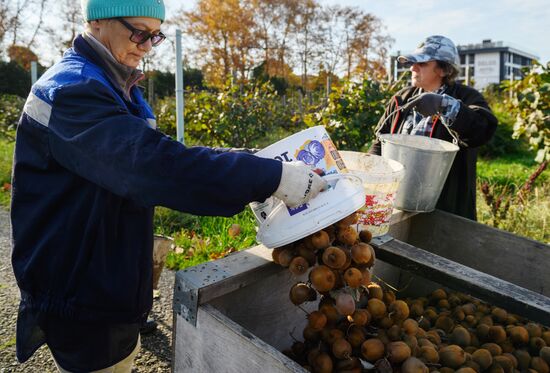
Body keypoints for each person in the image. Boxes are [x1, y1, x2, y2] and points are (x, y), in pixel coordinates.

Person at [10, 1, 327, 372]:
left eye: (155, 35)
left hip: (101, 271)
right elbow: (153, 167)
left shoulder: (112, 81)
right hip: (81, 288)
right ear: (97, 22)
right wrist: (268, 177)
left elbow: (165, 155)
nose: (146, 45)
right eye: (138, 32)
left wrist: (257, 160)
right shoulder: (73, 90)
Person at [369, 35, 498, 220]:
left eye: (422, 63)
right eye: (413, 62)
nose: (413, 68)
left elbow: (482, 130)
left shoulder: (467, 97)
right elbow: (380, 142)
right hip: (397, 205)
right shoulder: (401, 99)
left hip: (444, 209)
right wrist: (371, 181)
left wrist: (445, 105)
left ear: (444, 70)